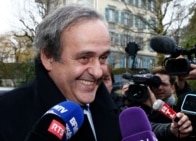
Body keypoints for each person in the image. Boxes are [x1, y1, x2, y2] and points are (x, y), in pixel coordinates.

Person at [0, 4, 121, 141]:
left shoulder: (114, 111)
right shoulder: (6, 115)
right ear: (48, 57)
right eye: (84, 58)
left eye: (103, 58)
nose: (98, 72)